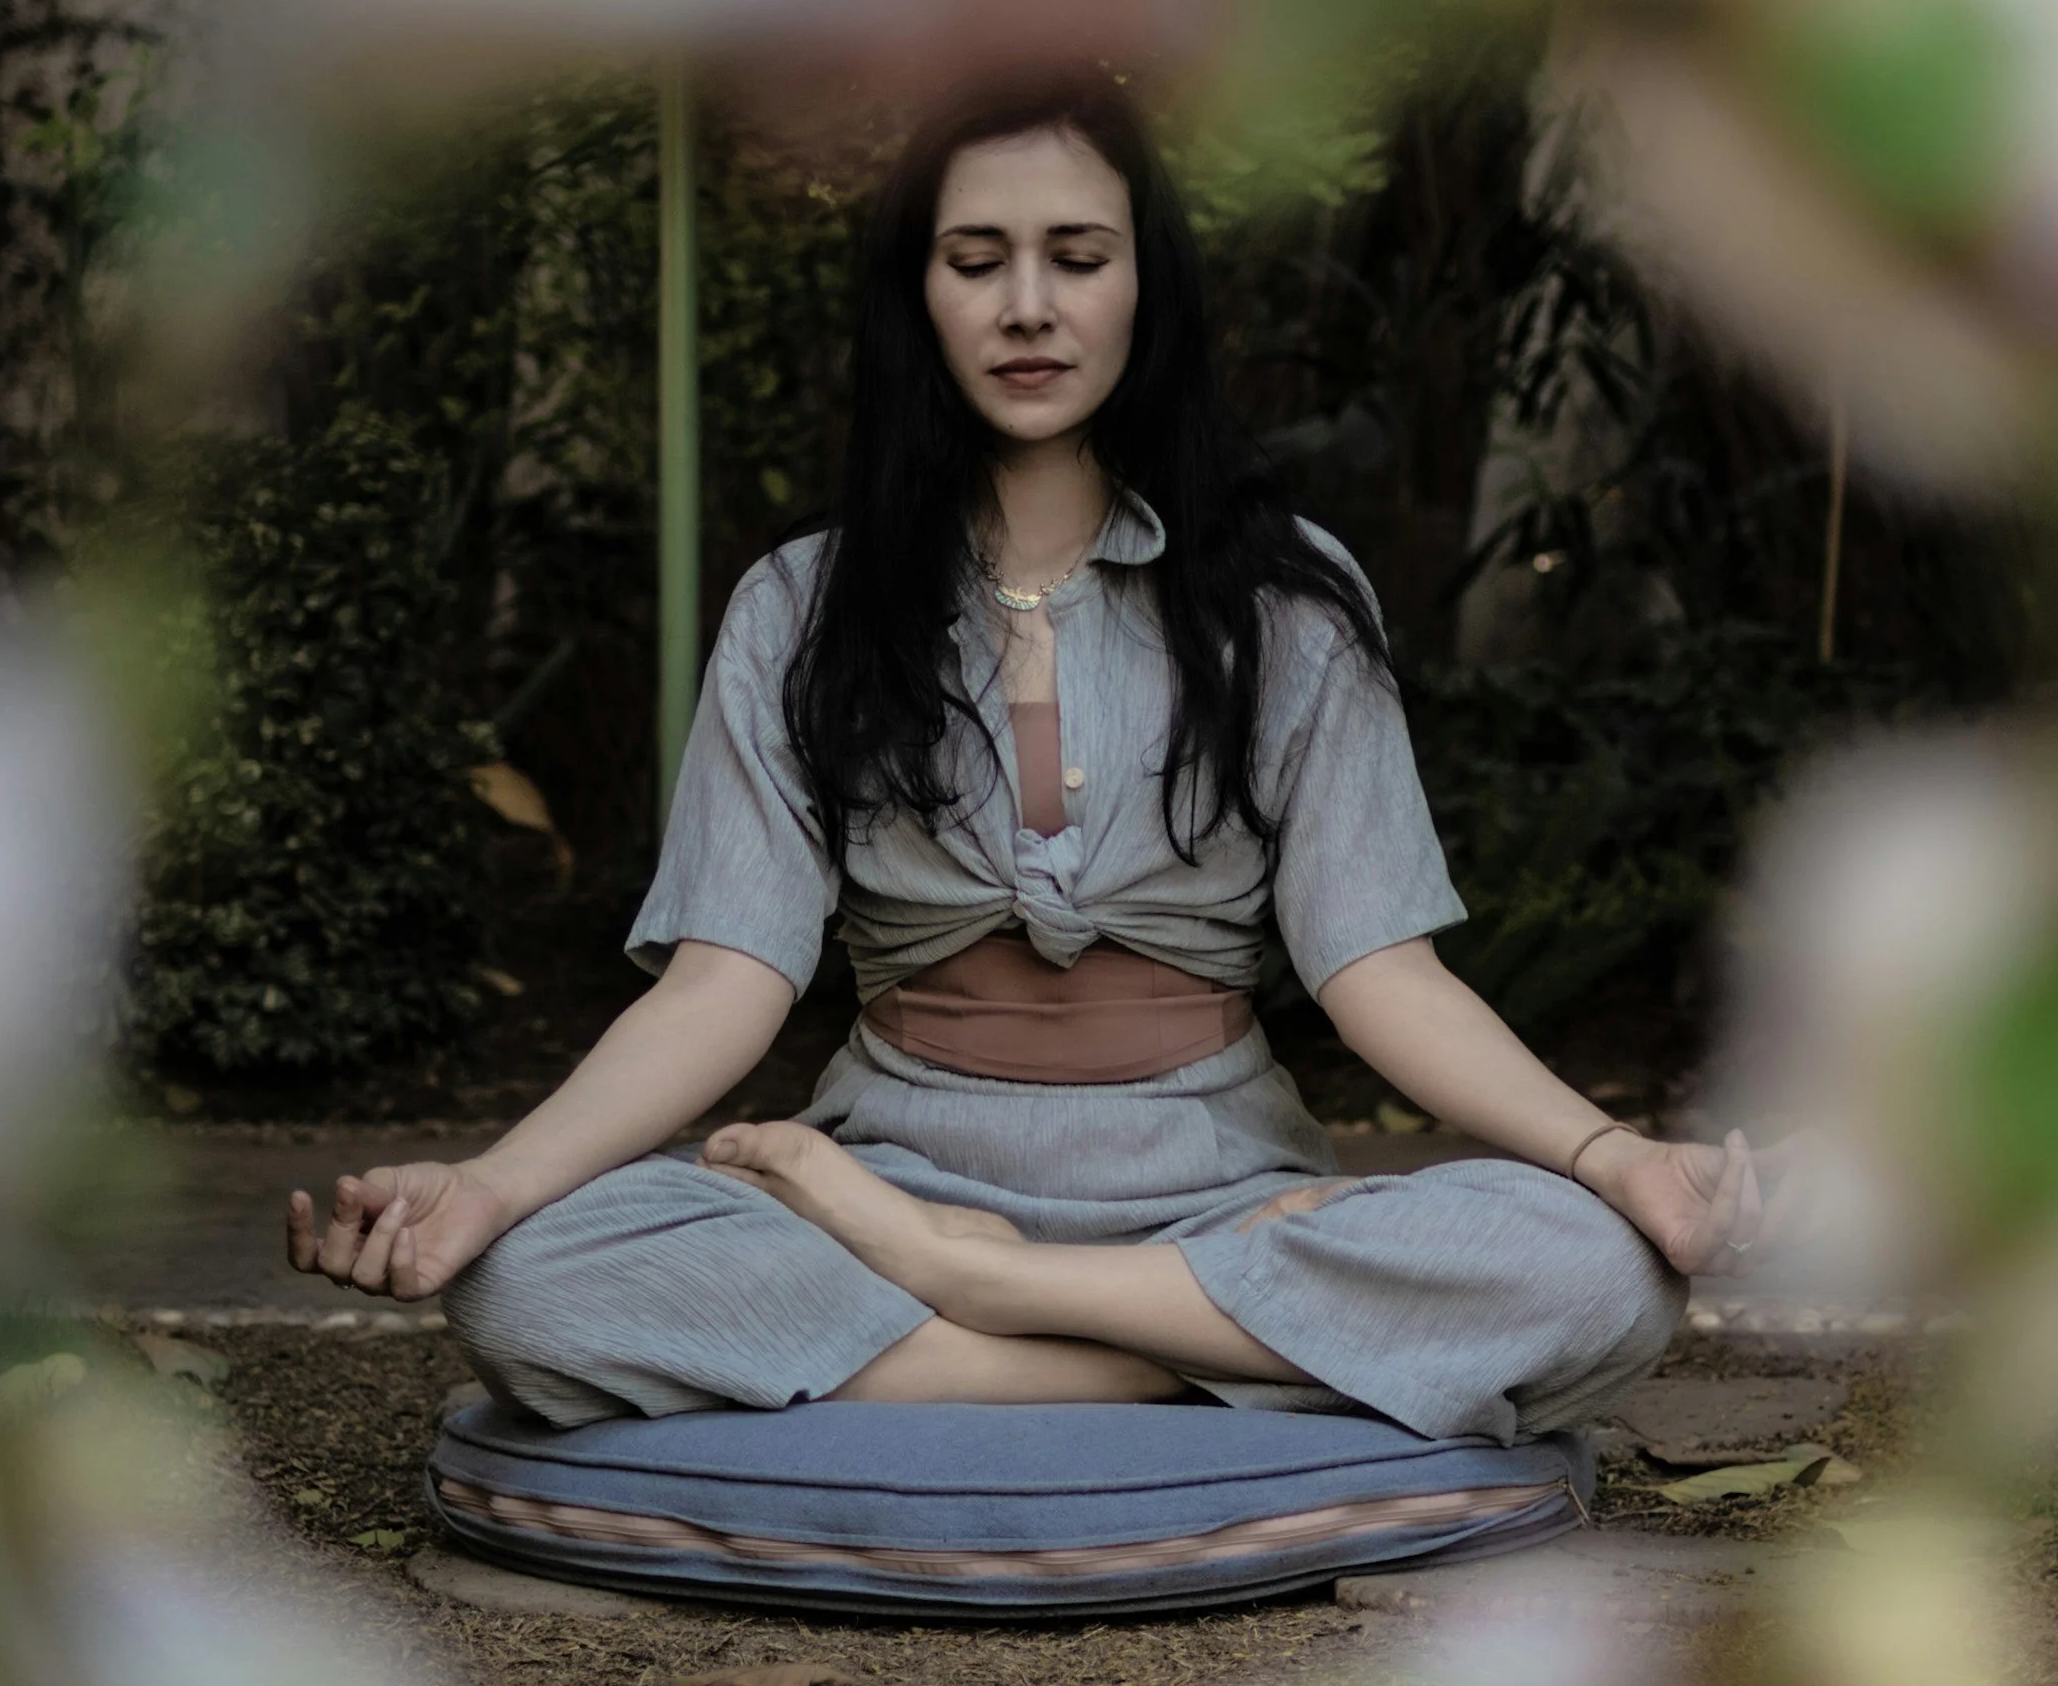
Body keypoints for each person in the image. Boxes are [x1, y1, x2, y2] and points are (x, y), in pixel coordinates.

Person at [287, 73, 1790, 1442]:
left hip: (1218, 1194)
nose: (1028, 307)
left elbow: (1380, 969)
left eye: (1077, 257)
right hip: (885, 1179)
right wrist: (484, 1189)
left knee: (1602, 1274)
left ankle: (996, 1306)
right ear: (917, 299)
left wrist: (1614, 1164)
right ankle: (1174, 1353)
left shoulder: (1285, 598)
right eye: (975, 261)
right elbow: (721, 983)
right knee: (525, 1284)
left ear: (1147, 288)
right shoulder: (798, 609)